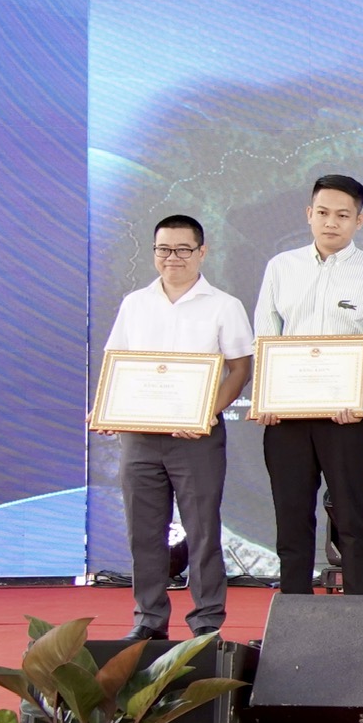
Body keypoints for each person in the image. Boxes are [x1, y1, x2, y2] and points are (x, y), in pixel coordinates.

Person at [103, 215, 253, 641]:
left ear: (201, 252)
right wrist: (106, 410)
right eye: (163, 249)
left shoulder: (224, 305)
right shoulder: (135, 303)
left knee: (203, 531)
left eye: (183, 249)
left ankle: (206, 622)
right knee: (144, 532)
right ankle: (148, 619)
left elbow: (240, 368)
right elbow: (117, 364)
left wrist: (207, 412)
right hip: (139, 438)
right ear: (154, 252)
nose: (173, 257)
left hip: (196, 438)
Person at [251, 173, 363, 597]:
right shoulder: (281, 268)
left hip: (348, 418)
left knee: (353, 519)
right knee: (292, 520)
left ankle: (358, 615)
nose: (331, 222)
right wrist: (267, 396)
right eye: (323, 213)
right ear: (309, 214)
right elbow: (265, 340)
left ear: (359, 220)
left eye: (343, 215)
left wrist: (358, 394)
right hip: (287, 418)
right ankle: (295, 612)